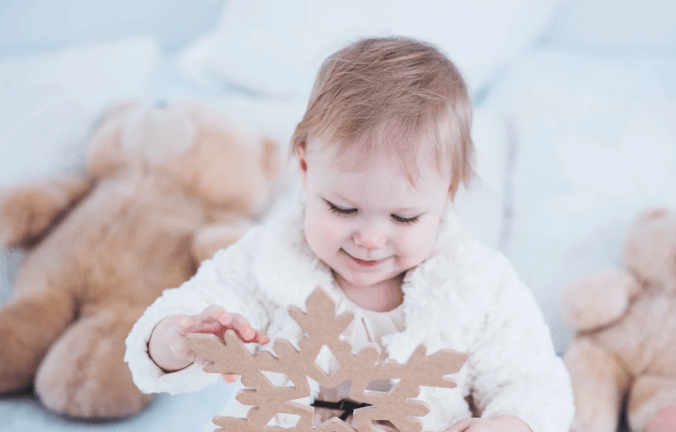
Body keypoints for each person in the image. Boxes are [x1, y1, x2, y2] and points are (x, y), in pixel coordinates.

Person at [125, 36, 574, 432]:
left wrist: (509, 423)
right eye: (343, 208)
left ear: (447, 195)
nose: (371, 239)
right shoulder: (266, 260)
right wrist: (179, 338)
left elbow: (534, 380)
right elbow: (183, 311)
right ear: (304, 169)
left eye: (404, 218)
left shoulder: (480, 284)